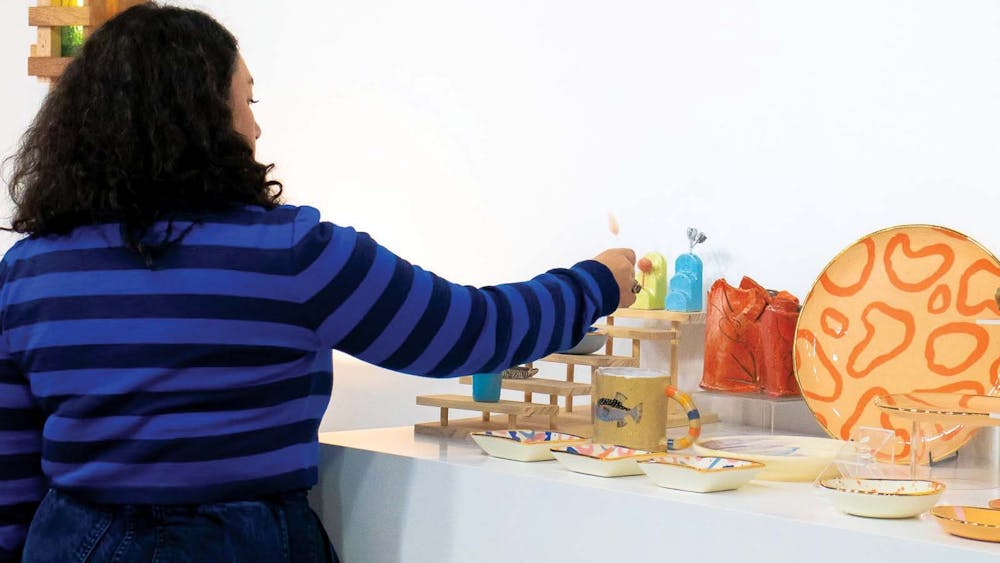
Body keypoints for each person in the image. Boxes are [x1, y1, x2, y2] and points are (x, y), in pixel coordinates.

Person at [0, 3, 638, 562]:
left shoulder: (30, 271)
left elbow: (11, 464)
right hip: (240, 541)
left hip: (72, 537)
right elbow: (468, 333)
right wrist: (596, 283)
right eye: (245, 101)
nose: (255, 127)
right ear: (197, 121)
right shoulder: (293, 253)